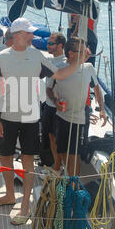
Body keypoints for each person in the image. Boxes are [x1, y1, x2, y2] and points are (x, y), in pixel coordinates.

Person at [0, 18, 88, 225]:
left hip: (31, 117)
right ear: (17, 35)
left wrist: (78, 62)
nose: (33, 36)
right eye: (29, 33)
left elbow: (59, 74)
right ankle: (9, 195)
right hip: (6, 117)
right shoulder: (0, 57)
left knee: (27, 160)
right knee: (4, 157)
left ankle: (25, 205)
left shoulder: (37, 56)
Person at [49, 37, 107, 177]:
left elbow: (97, 89)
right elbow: (49, 89)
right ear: (71, 53)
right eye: (81, 51)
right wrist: (55, 101)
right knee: (62, 150)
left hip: (79, 119)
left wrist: (102, 110)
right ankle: (66, 175)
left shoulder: (88, 68)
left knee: (74, 154)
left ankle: (73, 184)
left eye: (85, 50)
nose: (86, 53)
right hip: (61, 117)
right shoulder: (58, 69)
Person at [43, 32, 67, 172]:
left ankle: (58, 168)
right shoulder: (50, 61)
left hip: (58, 107)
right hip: (48, 105)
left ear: (60, 46)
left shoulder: (64, 64)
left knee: (58, 140)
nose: (48, 46)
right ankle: (57, 167)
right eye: (47, 43)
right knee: (51, 137)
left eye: (51, 43)